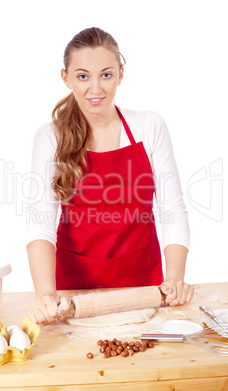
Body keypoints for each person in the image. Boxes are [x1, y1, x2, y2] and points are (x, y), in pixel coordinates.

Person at [26, 27, 194, 325]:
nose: (95, 88)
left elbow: (172, 208)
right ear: (65, 78)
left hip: (142, 287)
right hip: (72, 293)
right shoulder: (50, 136)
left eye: (106, 74)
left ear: (120, 74)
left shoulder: (149, 126)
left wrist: (176, 279)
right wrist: (46, 295)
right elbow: (41, 218)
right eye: (82, 76)